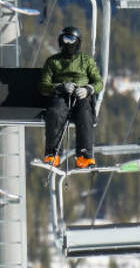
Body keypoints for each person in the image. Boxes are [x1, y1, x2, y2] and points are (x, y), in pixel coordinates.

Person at [39, 26, 103, 169]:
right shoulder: (53, 61)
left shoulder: (86, 60)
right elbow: (43, 85)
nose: (68, 43)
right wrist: (59, 87)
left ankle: (84, 156)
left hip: (81, 95)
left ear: (78, 42)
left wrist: (88, 89)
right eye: (65, 40)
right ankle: (53, 154)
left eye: (71, 40)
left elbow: (98, 82)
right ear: (60, 41)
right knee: (55, 113)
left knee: (85, 114)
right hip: (61, 95)